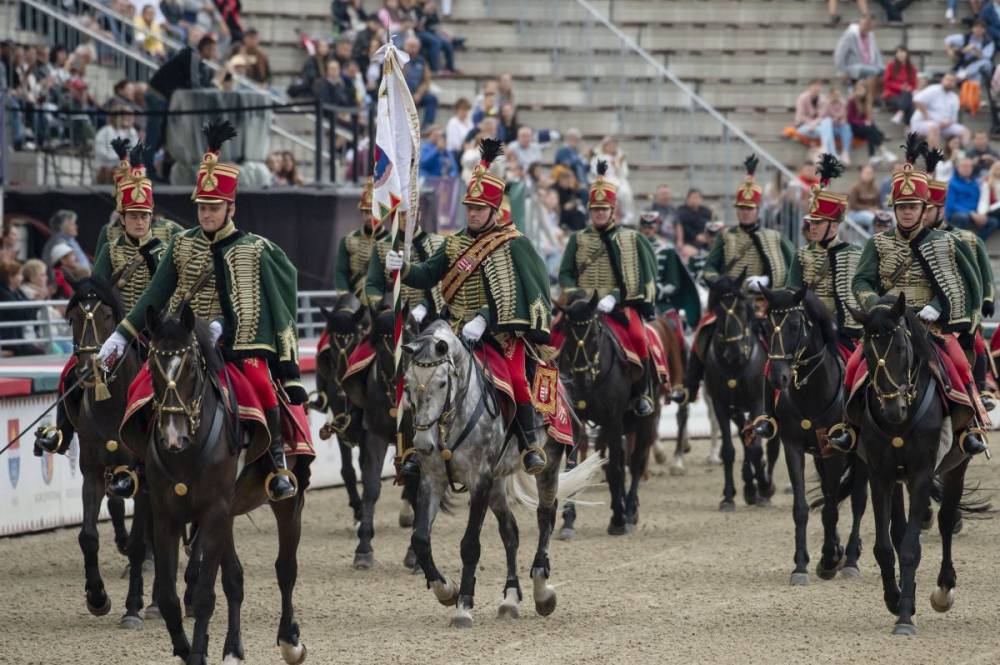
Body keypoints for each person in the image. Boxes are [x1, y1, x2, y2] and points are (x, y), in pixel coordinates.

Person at [96, 120, 309, 501]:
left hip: (240, 345)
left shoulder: (259, 249)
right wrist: (120, 335)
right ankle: (136, 464)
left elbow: (282, 302)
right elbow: (154, 297)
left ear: (230, 207)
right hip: (185, 339)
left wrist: (276, 355)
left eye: (214, 207)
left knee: (262, 387)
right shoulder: (181, 245)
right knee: (142, 385)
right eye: (202, 207)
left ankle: (276, 464)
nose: (206, 214)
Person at [385, 138, 553, 475]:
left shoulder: (514, 244)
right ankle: (412, 452)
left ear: (493, 210)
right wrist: (401, 267)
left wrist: (486, 318)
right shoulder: (454, 243)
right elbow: (426, 275)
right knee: (421, 374)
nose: (473, 214)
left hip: (501, 333)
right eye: (469, 208)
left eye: (479, 208)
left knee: (517, 381)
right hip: (454, 329)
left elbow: (524, 291)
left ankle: (529, 444)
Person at [831, 134, 988, 456]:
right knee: (853, 367)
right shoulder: (878, 244)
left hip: (929, 325)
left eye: (912, 206)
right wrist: (877, 307)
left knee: (958, 366)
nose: (906, 212)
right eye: (901, 207)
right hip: (888, 324)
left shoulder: (946, 243)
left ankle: (968, 428)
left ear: (923, 208)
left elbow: (959, 283)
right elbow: (860, 282)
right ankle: (849, 427)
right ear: (894, 207)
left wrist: (935, 305)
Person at [682, 156, 794, 404]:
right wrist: (721, 282)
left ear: (757, 209)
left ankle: (790, 385)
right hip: (731, 303)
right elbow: (709, 268)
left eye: (749, 209)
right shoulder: (726, 237)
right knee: (703, 331)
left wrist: (767, 280)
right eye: (741, 209)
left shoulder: (774, 237)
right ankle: (691, 384)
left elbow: (791, 268)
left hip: (763, 303)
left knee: (786, 337)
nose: (744, 213)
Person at [558, 160, 659, 417]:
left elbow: (636, 278)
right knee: (553, 339)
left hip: (617, 305)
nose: (600, 213)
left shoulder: (630, 238)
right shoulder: (577, 239)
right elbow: (566, 274)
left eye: (604, 209)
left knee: (639, 337)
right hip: (582, 307)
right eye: (596, 209)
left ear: (613, 210)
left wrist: (614, 297)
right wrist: (575, 294)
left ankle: (641, 393)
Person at [922, 145, 996, 405]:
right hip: (915, 309)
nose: (921, 214)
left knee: (976, 344)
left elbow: (982, 274)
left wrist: (986, 299)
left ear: (940, 209)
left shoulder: (966, 238)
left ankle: (981, 393)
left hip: (957, 309)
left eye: (927, 209)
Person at [144, 32, 217, 164]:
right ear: (206, 48)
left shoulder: (198, 62)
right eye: (213, 50)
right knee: (154, 134)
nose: (214, 54)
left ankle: (152, 167)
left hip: (163, 97)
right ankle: (145, 169)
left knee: (160, 134)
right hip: (157, 95)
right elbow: (195, 85)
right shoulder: (192, 55)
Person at [335, 180, 386, 299]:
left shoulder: (392, 242)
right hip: (355, 299)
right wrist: (345, 296)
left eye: (372, 212)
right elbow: (341, 272)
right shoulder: (348, 240)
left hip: (383, 300)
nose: (369, 217)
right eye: (365, 212)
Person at [910, 72, 971, 148]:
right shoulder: (933, 89)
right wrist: (926, 114)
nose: (949, 82)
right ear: (942, 80)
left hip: (943, 126)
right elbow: (916, 100)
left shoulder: (954, 97)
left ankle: (961, 153)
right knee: (934, 127)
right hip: (922, 123)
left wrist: (948, 123)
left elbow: (953, 119)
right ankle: (934, 158)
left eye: (952, 81)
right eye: (947, 79)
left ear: (955, 83)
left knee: (965, 132)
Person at [847, 80, 895, 164]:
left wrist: (866, 122)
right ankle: (883, 151)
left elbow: (869, 119)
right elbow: (850, 119)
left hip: (865, 128)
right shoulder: (852, 101)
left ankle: (873, 156)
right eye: (858, 89)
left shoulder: (867, 101)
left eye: (862, 89)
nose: (860, 91)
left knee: (870, 129)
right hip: (853, 127)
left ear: (866, 91)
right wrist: (863, 123)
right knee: (871, 128)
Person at [834, 14, 885, 85]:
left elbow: (876, 53)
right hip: (855, 67)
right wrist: (842, 71)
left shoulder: (870, 34)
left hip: (870, 66)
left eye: (870, 27)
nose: (868, 30)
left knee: (884, 71)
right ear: (860, 23)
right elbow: (839, 54)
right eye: (867, 26)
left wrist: (882, 67)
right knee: (875, 72)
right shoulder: (849, 35)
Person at [41, 210, 91, 278]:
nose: (76, 226)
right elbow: (69, 268)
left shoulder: (70, 239)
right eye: (72, 224)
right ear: (62, 227)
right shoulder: (58, 243)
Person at [795, 80, 839, 157]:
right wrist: (811, 123)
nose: (816, 88)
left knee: (827, 121)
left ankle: (825, 147)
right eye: (815, 86)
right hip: (803, 126)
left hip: (817, 128)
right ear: (810, 87)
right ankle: (833, 154)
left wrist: (814, 124)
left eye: (818, 86)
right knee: (828, 131)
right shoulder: (802, 98)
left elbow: (822, 116)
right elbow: (801, 116)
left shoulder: (823, 99)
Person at [402, 35, 437, 125]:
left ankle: (427, 125)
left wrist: (419, 94)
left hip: (416, 95)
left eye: (414, 46)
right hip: (402, 95)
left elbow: (426, 81)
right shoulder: (399, 59)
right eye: (410, 46)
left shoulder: (422, 61)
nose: (412, 49)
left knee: (432, 99)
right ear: (405, 46)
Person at [945, 157, 986, 231]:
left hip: (973, 213)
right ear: (957, 168)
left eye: (969, 166)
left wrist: (981, 213)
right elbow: (951, 205)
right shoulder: (951, 183)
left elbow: (980, 201)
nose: (967, 168)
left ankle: (978, 241)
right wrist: (970, 213)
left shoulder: (975, 183)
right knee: (963, 217)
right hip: (956, 213)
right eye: (964, 166)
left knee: (993, 222)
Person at [675, 188, 714, 261]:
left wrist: (705, 236)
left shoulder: (706, 211)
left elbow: (710, 225)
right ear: (688, 198)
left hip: (705, 240)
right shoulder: (681, 211)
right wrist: (696, 236)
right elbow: (682, 226)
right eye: (693, 197)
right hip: (688, 241)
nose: (696, 200)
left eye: (698, 197)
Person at [883, 45, 918, 125]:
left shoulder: (912, 69)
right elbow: (887, 82)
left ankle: (900, 113)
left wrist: (908, 88)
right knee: (909, 104)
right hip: (891, 95)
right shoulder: (891, 66)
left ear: (907, 53)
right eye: (898, 52)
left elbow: (913, 85)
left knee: (909, 101)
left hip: (906, 95)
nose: (900, 54)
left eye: (902, 52)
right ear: (896, 54)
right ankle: (909, 128)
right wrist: (899, 87)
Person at [847, 164, 883, 230]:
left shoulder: (875, 189)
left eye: (870, 173)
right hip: (855, 213)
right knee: (873, 219)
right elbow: (853, 205)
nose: (868, 175)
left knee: (887, 218)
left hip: (871, 212)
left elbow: (878, 204)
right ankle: (871, 239)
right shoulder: (855, 188)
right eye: (866, 173)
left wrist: (875, 209)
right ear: (861, 174)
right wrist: (868, 209)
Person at [445, 97, 473, 163]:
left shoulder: (470, 123)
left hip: (468, 151)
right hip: (454, 154)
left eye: (466, 110)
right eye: (463, 110)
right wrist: (466, 147)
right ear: (457, 110)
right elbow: (454, 143)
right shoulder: (453, 122)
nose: (465, 112)